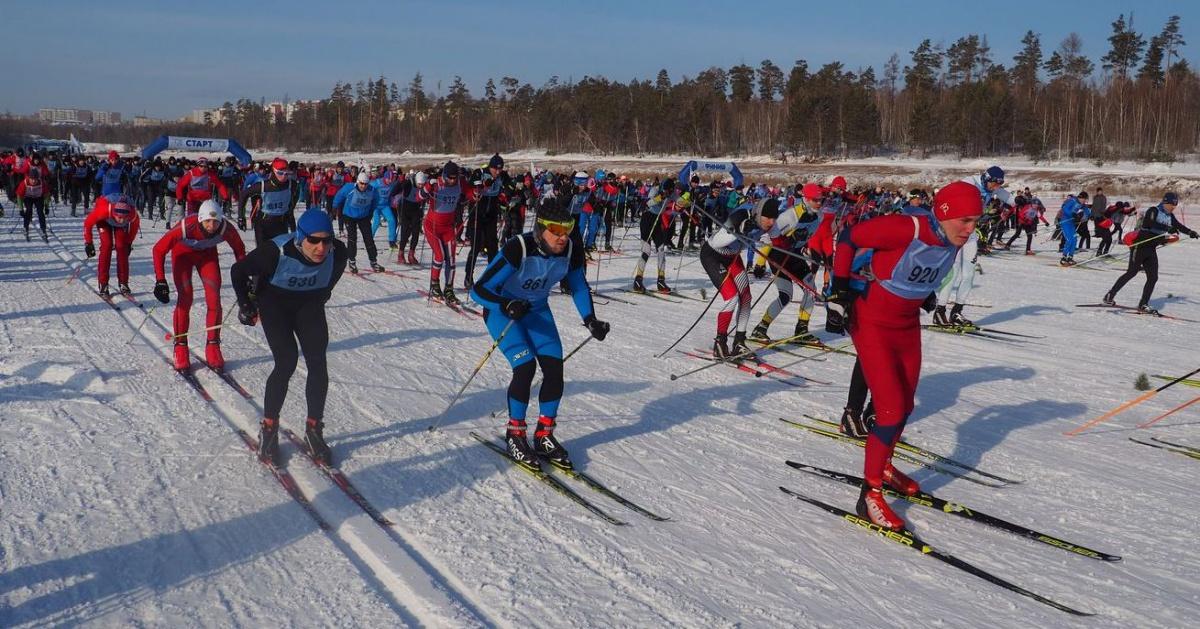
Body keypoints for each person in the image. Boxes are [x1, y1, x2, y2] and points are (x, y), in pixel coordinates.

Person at [825, 181, 982, 530]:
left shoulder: (953, 239)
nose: (971, 229)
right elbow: (850, 238)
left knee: (906, 405)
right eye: (965, 220)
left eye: (976, 221)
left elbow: (918, 272)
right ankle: (870, 495)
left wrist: (925, 294)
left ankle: (883, 465)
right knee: (891, 411)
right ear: (944, 214)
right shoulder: (905, 227)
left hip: (906, 324)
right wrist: (839, 290)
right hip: (872, 320)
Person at [470, 202, 609, 471]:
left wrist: (590, 320)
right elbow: (479, 290)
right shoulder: (518, 248)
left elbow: (579, 286)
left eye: (567, 230)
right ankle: (516, 434)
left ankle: (544, 434)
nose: (562, 237)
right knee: (525, 367)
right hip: (504, 312)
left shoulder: (570, 250)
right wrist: (505, 304)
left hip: (536, 311)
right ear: (540, 229)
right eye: (556, 230)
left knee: (555, 370)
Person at [231, 209, 348, 465]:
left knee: (318, 363)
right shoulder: (275, 251)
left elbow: (333, 275)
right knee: (286, 362)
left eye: (326, 240)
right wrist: (246, 304)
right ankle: (269, 429)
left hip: (309, 306)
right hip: (275, 306)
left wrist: (323, 293)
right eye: (314, 241)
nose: (321, 247)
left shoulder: (338, 252)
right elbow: (238, 271)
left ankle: (314, 430)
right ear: (299, 237)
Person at [152, 200, 247, 371]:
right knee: (185, 297)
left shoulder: (226, 228)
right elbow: (158, 249)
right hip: (183, 255)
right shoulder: (186, 226)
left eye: (215, 222)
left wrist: (244, 273)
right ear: (200, 220)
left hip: (207, 256)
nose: (212, 226)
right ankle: (180, 345)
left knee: (214, 299)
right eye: (207, 221)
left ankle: (213, 345)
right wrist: (160, 281)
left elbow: (239, 248)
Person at [932, 166, 1011, 327]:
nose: (995, 188)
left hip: (970, 233)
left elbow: (1010, 199)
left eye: (998, 185)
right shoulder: (970, 182)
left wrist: (1021, 201)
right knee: (953, 273)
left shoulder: (993, 189)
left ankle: (957, 312)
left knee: (969, 274)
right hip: (954, 232)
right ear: (986, 178)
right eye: (993, 184)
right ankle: (939, 311)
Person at [700, 198, 778, 359]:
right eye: (768, 218)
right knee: (732, 297)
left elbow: (778, 239)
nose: (771, 222)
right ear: (759, 214)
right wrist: (738, 231)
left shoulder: (768, 225)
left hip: (732, 258)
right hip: (713, 255)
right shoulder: (741, 216)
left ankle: (739, 342)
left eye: (774, 218)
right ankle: (720, 342)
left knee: (746, 297)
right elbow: (718, 241)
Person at [750, 183, 822, 344]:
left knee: (811, 290)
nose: (819, 203)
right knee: (786, 295)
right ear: (805, 199)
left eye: (820, 200)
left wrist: (811, 251)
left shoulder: (819, 216)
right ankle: (760, 329)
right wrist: (760, 263)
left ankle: (801, 330)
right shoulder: (789, 216)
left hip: (794, 255)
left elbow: (806, 238)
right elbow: (768, 238)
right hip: (778, 256)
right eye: (815, 200)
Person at [1103, 192, 1198, 314]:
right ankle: (1109, 295)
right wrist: (1168, 228)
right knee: (1131, 272)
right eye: (1171, 205)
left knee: (1153, 277)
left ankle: (1143, 304)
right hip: (1140, 245)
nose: (1173, 208)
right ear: (1165, 202)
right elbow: (1149, 223)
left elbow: (1178, 226)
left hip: (1151, 248)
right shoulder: (1154, 211)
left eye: (1174, 206)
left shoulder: (1170, 216)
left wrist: (1190, 232)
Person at [423, 161, 467, 304]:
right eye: (450, 178)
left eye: (455, 178)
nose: (452, 181)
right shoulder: (437, 183)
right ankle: (434, 284)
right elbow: (420, 196)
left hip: (448, 228)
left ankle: (449, 289)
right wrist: (429, 185)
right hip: (432, 226)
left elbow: (471, 192)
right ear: (444, 175)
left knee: (452, 261)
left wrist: (477, 192)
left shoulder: (460, 183)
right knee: (439, 256)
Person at [464, 154, 508, 291]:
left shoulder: (502, 177)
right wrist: (482, 186)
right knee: (476, 246)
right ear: (490, 167)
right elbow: (470, 190)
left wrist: (507, 196)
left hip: (491, 216)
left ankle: (492, 278)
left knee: (493, 249)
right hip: (477, 215)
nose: (498, 172)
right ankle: (468, 277)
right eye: (495, 169)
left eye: (500, 169)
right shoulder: (480, 173)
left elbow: (507, 188)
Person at [83, 194, 141, 296]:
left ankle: (123, 282)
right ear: (114, 213)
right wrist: (89, 242)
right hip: (105, 220)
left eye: (124, 218)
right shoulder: (104, 210)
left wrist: (129, 242)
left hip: (118, 222)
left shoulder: (132, 214)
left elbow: (133, 229)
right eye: (120, 217)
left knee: (121, 247)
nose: (122, 220)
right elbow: (88, 223)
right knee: (107, 246)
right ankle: (103, 283)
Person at [332, 172, 385, 274]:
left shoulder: (372, 190)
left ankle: (373, 262)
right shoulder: (349, 188)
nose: (363, 186)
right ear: (357, 182)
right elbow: (339, 195)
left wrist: (370, 212)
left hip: (364, 216)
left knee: (368, 239)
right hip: (349, 216)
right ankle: (352, 261)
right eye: (361, 183)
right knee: (352, 238)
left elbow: (376, 201)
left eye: (365, 184)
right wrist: (334, 207)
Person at [239, 156, 299, 246]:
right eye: (280, 173)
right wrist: (241, 217)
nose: (284, 176)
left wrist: (291, 218)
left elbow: (292, 201)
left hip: (281, 223)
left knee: (284, 253)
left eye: (287, 173)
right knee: (263, 254)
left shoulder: (292, 184)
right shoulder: (263, 186)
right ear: (273, 172)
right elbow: (244, 194)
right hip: (263, 224)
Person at [632, 178, 678, 293]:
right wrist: (660, 197)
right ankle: (638, 280)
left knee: (661, 249)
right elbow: (648, 203)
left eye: (669, 191)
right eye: (666, 191)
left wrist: (686, 201)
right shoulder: (655, 190)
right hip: (648, 219)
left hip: (658, 222)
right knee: (646, 251)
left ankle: (661, 281)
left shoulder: (672, 194)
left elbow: (679, 201)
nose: (668, 193)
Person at [16, 166, 51, 242]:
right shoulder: (24, 183)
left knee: (40, 212)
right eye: (32, 179)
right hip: (28, 197)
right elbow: (19, 196)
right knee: (28, 210)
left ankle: (43, 228)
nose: (34, 181)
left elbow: (47, 195)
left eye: (35, 179)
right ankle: (25, 227)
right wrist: (21, 209)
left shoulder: (42, 183)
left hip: (38, 197)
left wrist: (47, 207)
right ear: (29, 177)